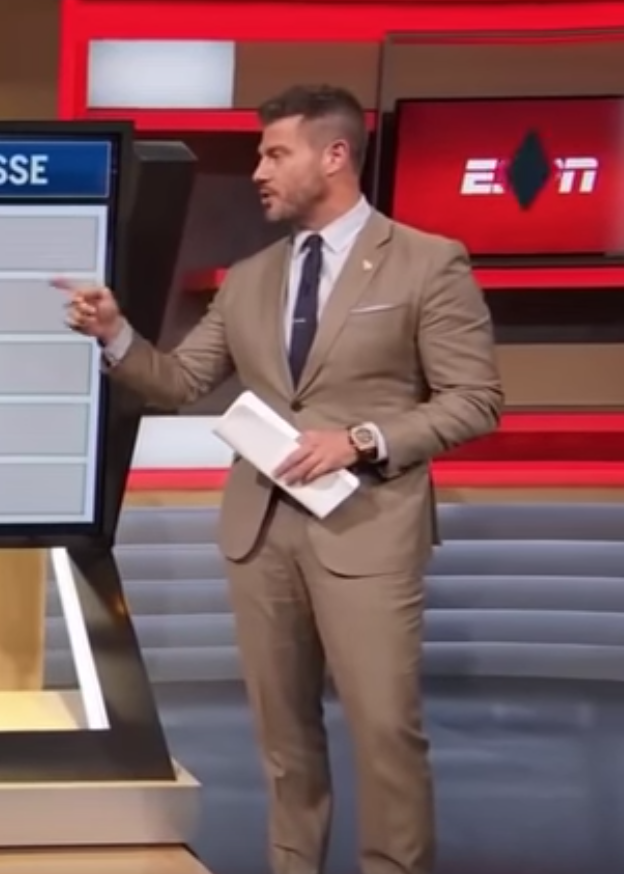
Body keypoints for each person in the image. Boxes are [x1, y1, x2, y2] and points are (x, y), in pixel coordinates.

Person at [63, 84, 502, 874]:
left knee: (386, 733)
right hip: (262, 535)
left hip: (368, 532)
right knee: (283, 740)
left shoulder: (427, 262)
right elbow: (179, 380)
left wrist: (361, 440)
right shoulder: (251, 277)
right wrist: (116, 333)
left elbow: (475, 399)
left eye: (275, 153)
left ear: (334, 156)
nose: (259, 171)